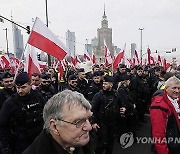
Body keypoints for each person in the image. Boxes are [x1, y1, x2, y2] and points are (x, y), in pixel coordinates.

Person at [23, 90, 94, 154]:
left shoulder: (83, 142)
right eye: (79, 122)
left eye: (89, 119)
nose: (89, 127)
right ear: (54, 127)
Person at [0, 72, 45, 154]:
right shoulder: (10, 103)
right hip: (21, 142)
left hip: (38, 138)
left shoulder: (38, 96)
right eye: (18, 87)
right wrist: (5, 147)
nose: (20, 91)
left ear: (30, 84)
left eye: (23, 87)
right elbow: (3, 125)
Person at [91, 75, 126, 154]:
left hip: (113, 122)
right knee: (103, 142)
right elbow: (93, 110)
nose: (103, 85)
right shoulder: (98, 95)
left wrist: (123, 108)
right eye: (103, 83)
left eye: (106, 84)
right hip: (102, 123)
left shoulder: (116, 94)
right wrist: (93, 122)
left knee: (111, 142)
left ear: (111, 85)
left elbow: (122, 104)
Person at [150, 76, 180, 154]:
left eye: (179, 88)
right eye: (174, 88)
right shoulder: (159, 105)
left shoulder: (174, 100)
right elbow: (158, 134)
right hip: (169, 147)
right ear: (166, 88)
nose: (177, 91)